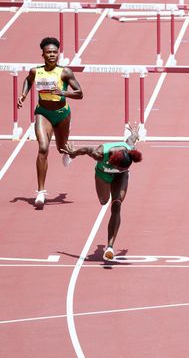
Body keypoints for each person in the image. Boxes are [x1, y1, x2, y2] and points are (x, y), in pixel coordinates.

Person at [17, 37, 83, 208]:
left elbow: (79, 93)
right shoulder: (35, 71)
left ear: (58, 54)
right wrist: (23, 95)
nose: (52, 55)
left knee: (61, 147)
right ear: (43, 54)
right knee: (43, 148)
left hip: (62, 114)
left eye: (54, 52)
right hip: (43, 113)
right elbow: (27, 81)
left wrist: (62, 93)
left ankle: (67, 150)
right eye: (49, 52)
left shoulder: (65, 72)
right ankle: (40, 192)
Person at [61, 124, 142, 261]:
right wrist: (73, 153)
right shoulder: (100, 153)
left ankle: (110, 247)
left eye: (124, 168)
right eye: (120, 167)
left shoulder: (129, 151)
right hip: (102, 174)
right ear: (113, 161)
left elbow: (132, 138)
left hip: (119, 178)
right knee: (104, 201)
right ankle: (102, 247)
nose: (121, 169)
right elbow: (86, 150)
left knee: (116, 205)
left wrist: (134, 131)